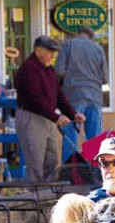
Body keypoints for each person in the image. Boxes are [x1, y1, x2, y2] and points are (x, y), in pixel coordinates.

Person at [14, 35, 81, 183]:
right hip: (32, 118)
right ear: (38, 51)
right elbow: (34, 100)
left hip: (48, 119)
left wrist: (72, 114)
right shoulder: (28, 69)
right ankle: (35, 195)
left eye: (53, 52)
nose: (52, 55)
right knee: (36, 164)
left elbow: (58, 95)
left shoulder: (49, 70)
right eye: (49, 52)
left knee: (51, 161)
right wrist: (56, 117)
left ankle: (48, 194)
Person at [54, 27, 109, 142]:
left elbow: (59, 71)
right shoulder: (98, 49)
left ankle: (71, 155)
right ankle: (93, 154)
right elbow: (105, 78)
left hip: (73, 95)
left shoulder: (69, 44)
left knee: (71, 137)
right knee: (95, 140)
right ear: (91, 37)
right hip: (95, 97)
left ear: (78, 33)